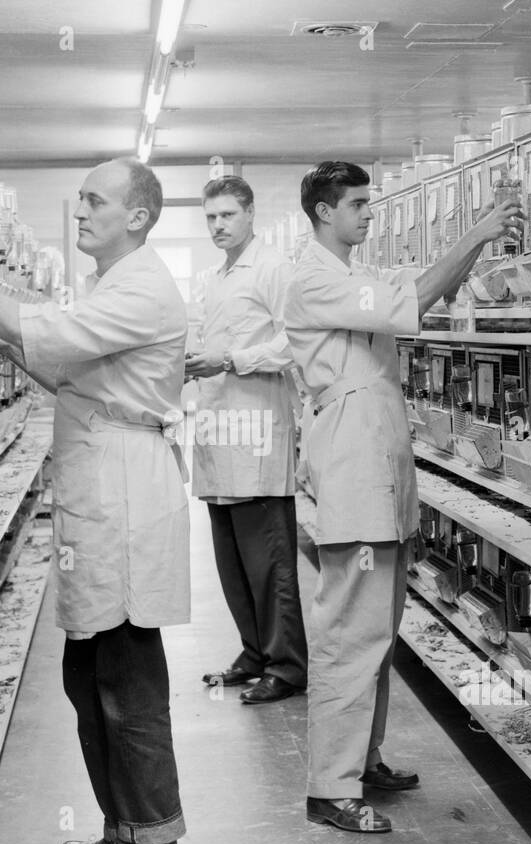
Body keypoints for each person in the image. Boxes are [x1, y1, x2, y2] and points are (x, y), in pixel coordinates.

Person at [0, 157, 189, 844]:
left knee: (127, 680)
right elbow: (58, 368)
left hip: (123, 496)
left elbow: (52, 336)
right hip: (100, 492)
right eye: (80, 200)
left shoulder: (144, 289)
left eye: (95, 200)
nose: (81, 211)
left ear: (139, 216)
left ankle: (152, 842)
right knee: (86, 674)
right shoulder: (112, 284)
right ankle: (123, 828)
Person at [284, 161, 522, 834]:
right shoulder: (313, 278)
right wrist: (477, 229)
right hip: (353, 472)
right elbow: (413, 300)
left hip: (377, 467)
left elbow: (424, 290)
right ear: (324, 211)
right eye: (358, 204)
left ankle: (364, 756)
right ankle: (331, 788)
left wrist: (478, 246)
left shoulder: (354, 273)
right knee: (348, 638)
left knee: (377, 634)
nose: (369, 213)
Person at [187, 175, 308, 705]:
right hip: (217, 429)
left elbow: (295, 341)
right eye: (211, 216)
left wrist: (234, 359)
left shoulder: (275, 269)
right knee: (231, 554)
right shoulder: (211, 277)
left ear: (250, 213)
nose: (218, 225)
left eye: (228, 215)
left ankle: (287, 664)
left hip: (257, 429)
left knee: (270, 557)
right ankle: (253, 652)